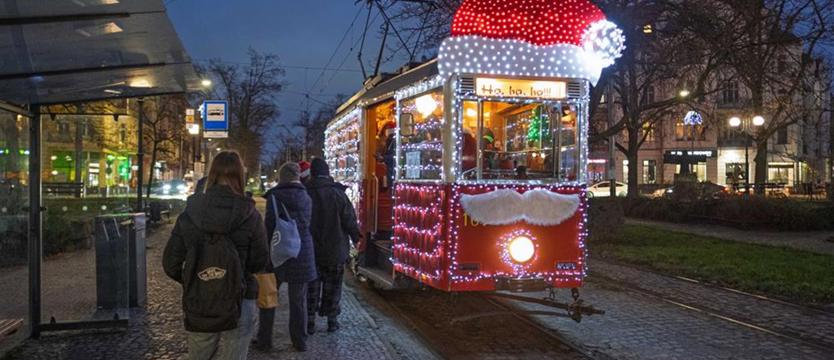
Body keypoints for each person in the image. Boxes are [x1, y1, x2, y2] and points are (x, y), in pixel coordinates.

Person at [163, 151, 268, 360]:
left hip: (201, 300)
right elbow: (259, 261)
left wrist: (195, 278)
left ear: (211, 175)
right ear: (240, 176)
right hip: (240, 298)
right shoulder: (250, 215)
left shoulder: (190, 213)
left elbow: (170, 263)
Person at [254, 162, 317, 352]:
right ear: (297, 177)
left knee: (269, 295)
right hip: (301, 251)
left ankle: (265, 339)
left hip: (277, 251)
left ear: (281, 177)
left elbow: (269, 226)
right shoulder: (306, 197)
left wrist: (265, 253)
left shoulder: (274, 196)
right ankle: (300, 341)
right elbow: (308, 223)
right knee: (298, 301)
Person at [305, 158, 361, 333]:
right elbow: (349, 219)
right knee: (334, 286)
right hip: (335, 250)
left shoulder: (305, 193)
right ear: (327, 173)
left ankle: (310, 321)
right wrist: (356, 237)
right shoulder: (338, 194)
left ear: (312, 173)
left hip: (311, 251)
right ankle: (332, 321)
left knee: (311, 287)